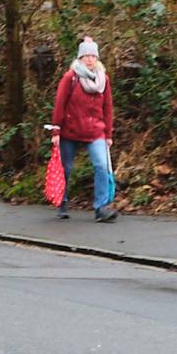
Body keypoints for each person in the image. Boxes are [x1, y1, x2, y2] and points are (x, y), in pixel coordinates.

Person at [48, 37, 117, 223]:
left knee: (101, 166)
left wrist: (108, 134)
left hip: (96, 131)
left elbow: (108, 108)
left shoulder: (104, 79)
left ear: (97, 58)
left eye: (93, 55)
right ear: (79, 58)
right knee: (66, 168)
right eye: (86, 55)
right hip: (70, 131)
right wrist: (56, 130)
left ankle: (101, 208)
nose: (89, 59)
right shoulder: (70, 77)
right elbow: (60, 104)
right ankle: (61, 203)